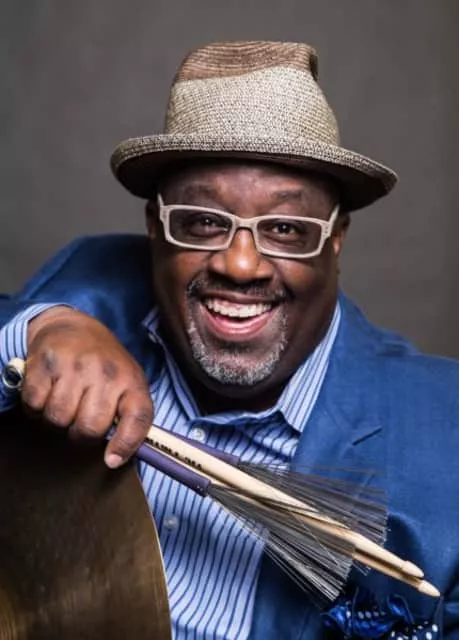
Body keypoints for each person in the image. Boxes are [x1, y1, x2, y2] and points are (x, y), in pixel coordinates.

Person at [0, 41, 458, 640]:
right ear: (155, 226)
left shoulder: (443, 434)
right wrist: (42, 327)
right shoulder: (86, 288)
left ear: (336, 239)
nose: (240, 264)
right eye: (203, 222)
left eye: (287, 228)